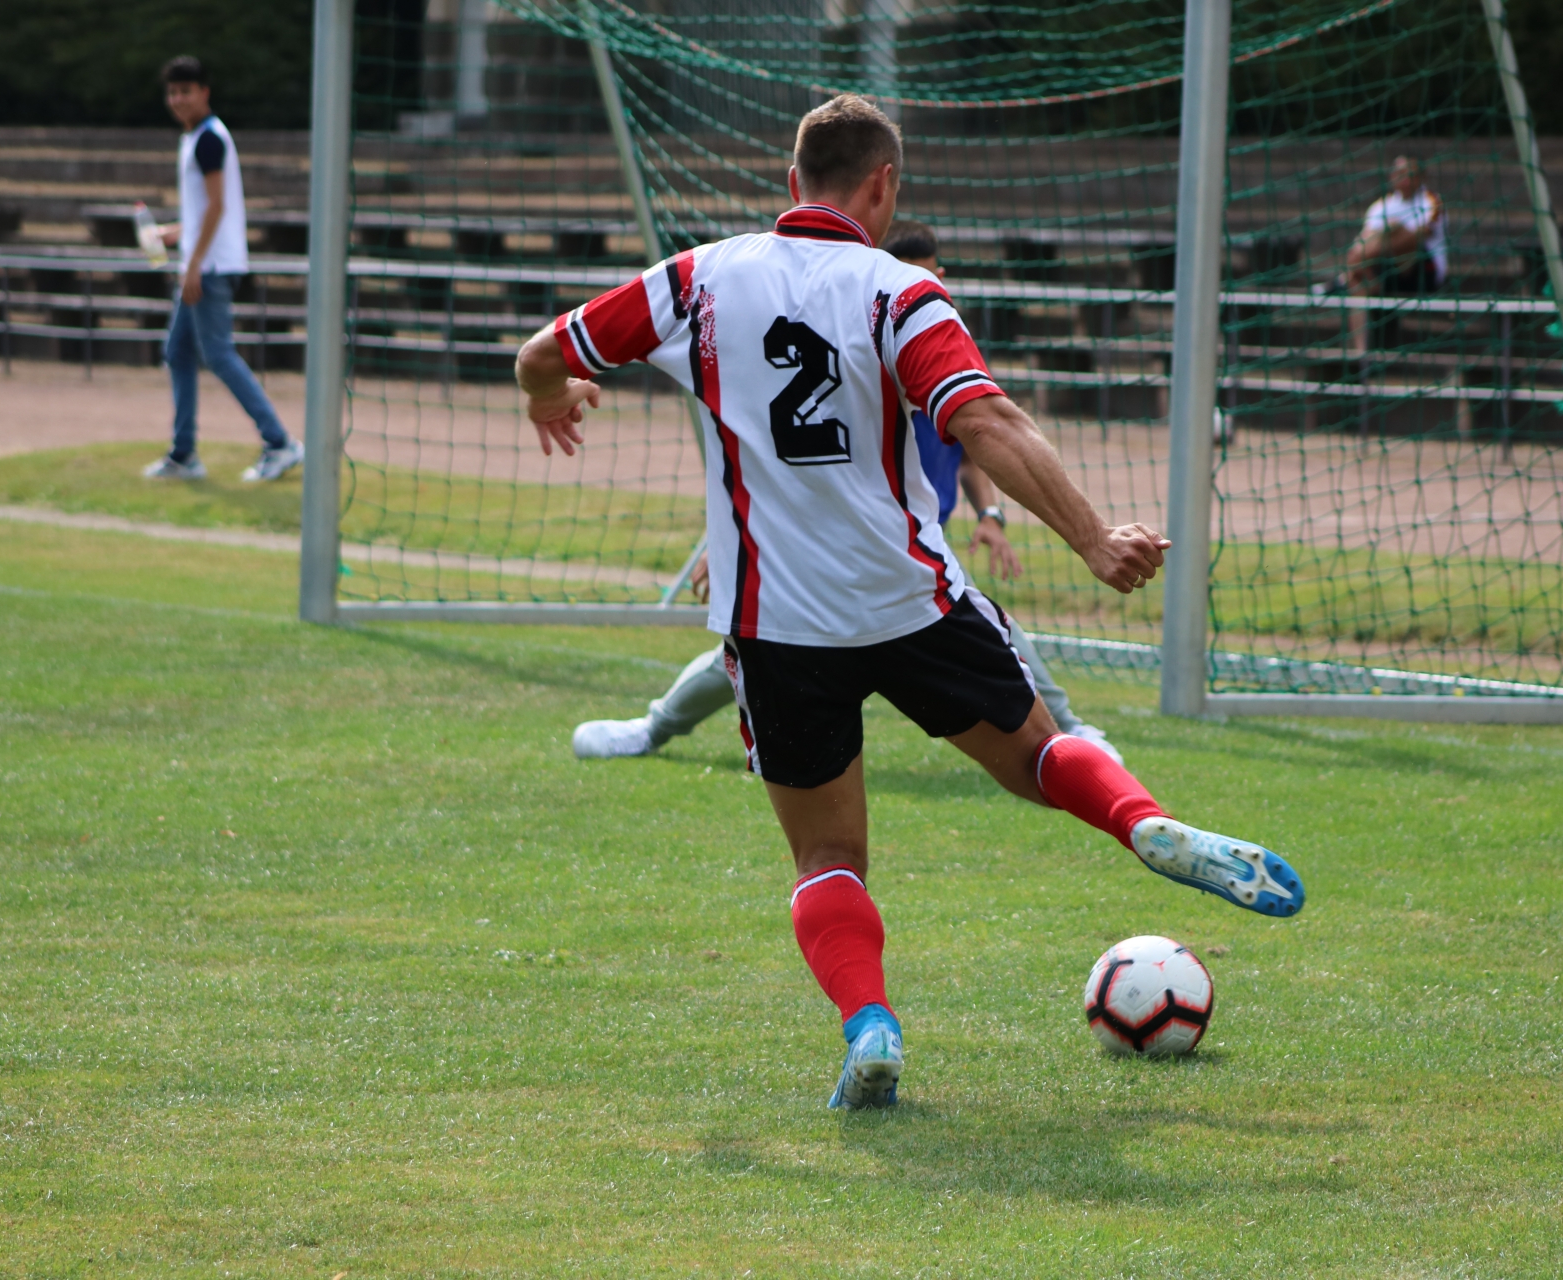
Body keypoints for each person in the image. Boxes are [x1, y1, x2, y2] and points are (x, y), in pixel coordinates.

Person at [515, 95, 1305, 1110]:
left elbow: (543, 353)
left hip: (774, 620)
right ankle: (1143, 822)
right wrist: (1093, 538)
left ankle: (871, 1024)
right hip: (909, 599)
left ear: (792, 181)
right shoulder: (901, 291)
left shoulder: (698, 278)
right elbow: (988, 422)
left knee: (827, 855)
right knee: (1042, 753)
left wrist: (547, 395)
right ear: (883, 187)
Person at [570, 219, 1119, 765]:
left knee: (993, 632)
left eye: (932, 274)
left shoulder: (933, 332)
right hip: (820, 545)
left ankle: (1070, 733)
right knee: (742, 658)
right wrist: (729, 546)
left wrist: (990, 514)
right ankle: (652, 728)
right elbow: (784, 457)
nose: (925, 284)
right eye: (913, 272)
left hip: (907, 548)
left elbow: (975, 445)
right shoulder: (867, 330)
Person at [142, 56, 303, 484]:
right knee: (178, 353)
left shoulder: (208, 140)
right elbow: (205, 212)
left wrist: (193, 264)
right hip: (204, 260)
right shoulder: (196, 137)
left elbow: (218, 206)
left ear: (204, 92)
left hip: (209, 266)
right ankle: (183, 454)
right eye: (172, 92)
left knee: (218, 354)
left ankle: (279, 442)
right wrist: (174, 233)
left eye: (186, 91)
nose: (178, 100)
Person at [1342, 156, 1447, 355]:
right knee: (1357, 281)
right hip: (1386, 271)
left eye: (1410, 174)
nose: (1404, 179)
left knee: (1393, 227)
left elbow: (1417, 238)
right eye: (1399, 174)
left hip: (1422, 272)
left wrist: (1360, 257)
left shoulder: (1431, 201)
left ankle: (1348, 272)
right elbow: (1363, 240)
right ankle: (1361, 353)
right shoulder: (1381, 206)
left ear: (1420, 177)